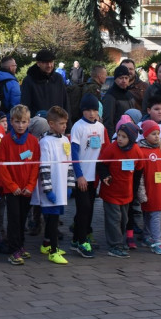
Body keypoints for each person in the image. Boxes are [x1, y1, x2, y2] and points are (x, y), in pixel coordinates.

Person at [0, 105, 40, 265]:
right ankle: (13, 249)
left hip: (26, 189)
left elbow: (35, 165)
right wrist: (11, 186)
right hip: (13, 190)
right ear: (11, 122)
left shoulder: (32, 141)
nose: (20, 125)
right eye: (17, 122)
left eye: (23, 122)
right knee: (14, 219)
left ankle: (21, 245)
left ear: (29, 122)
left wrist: (30, 185)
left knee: (23, 218)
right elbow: (1, 165)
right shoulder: (6, 141)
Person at [35, 106, 74, 265]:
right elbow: (44, 167)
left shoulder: (65, 140)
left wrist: (70, 185)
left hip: (61, 186)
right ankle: (53, 250)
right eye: (61, 123)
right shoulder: (45, 142)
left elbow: (70, 163)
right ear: (51, 124)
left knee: (56, 217)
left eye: (65, 123)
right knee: (51, 218)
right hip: (51, 187)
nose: (64, 126)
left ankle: (46, 244)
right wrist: (48, 189)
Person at [97, 121, 142, 258]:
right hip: (111, 192)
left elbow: (139, 170)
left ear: (132, 139)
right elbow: (101, 164)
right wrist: (105, 176)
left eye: (124, 137)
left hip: (126, 192)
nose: (120, 139)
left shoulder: (137, 151)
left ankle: (118, 242)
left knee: (124, 219)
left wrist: (134, 191)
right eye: (119, 135)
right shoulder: (111, 148)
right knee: (114, 218)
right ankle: (114, 245)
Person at [69, 93, 105, 258]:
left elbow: (102, 152)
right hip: (82, 177)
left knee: (89, 209)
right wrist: (79, 176)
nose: (91, 113)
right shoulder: (78, 127)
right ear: (82, 110)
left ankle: (77, 238)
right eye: (88, 110)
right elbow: (74, 153)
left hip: (94, 177)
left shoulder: (100, 128)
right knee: (83, 208)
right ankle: (82, 241)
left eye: (94, 110)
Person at [136, 119, 161, 255]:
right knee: (152, 214)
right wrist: (142, 193)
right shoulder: (141, 151)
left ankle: (148, 237)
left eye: (158, 133)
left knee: (153, 214)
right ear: (145, 135)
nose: (157, 136)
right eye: (153, 134)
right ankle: (157, 242)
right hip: (150, 189)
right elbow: (140, 175)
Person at [21, 49, 68, 115]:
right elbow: (25, 106)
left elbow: (65, 102)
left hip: (58, 122)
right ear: (38, 63)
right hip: (39, 122)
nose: (49, 65)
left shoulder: (58, 78)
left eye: (51, 62)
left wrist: (68, 122)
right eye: (45, 63)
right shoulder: (29, 81)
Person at [101, 65, 139, 132]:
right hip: (117, 136)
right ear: (115, 79)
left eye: (126, 78)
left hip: (130, 134)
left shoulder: (130, 95)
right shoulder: (110, 96)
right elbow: (108, 122)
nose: (124, 81)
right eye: (121, 78)